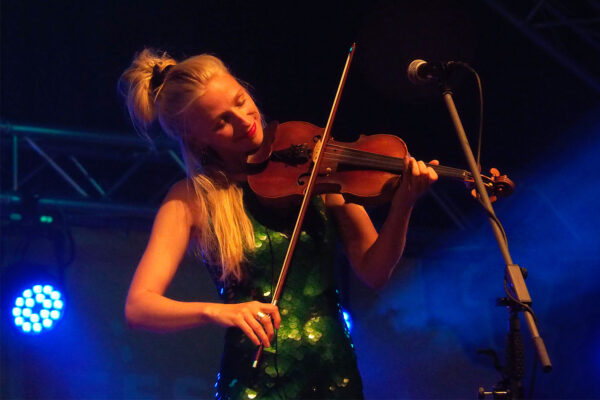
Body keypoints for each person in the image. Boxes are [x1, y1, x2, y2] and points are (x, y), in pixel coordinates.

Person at [119, 49, 438, 399]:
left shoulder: (314, 166)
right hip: (255, 384)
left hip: (334, 375)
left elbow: (375, 270)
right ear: (197, 140)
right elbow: (140, 306)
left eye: (241, 101)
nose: (244, 120)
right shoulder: (191, 199)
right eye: (221, 122)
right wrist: (220, 312)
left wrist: (403, 204)